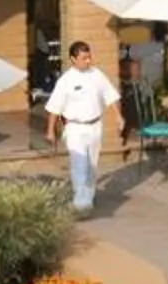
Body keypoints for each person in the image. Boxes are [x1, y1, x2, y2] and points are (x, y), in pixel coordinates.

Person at [43, 39, 120, 215]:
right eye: (84, 58)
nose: (88, 61)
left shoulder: (97, 74)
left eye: (89, 57)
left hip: (95, 126)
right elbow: (54, 107)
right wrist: (50, 131)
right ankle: (81, 203)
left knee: (92, 165)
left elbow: (110, 95)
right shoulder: (66, 81)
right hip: (75, 128)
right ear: (73, 59)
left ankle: (88, 196)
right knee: (79, 164)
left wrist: (118, 116)